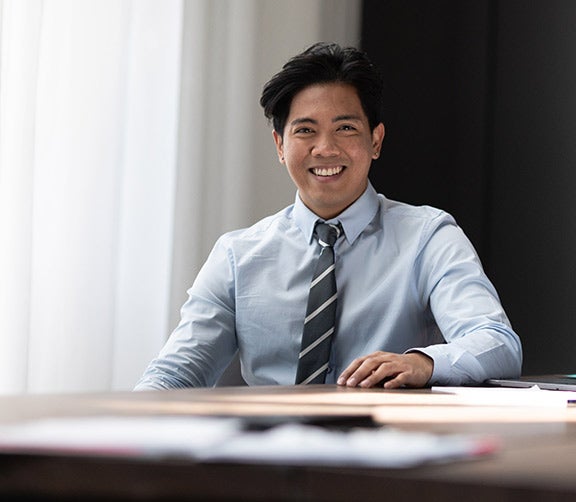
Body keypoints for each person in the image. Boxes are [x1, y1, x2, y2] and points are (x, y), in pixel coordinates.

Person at [135, 42, 522, 390]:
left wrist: (423, 362)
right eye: (305, 130)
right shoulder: (238, 255)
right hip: (268, 451)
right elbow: (178, 372)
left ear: (376, 141)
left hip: (385, 451)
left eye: (346, 128)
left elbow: (497, 343)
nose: (325, 148)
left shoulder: (429, 236)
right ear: (280, 145)